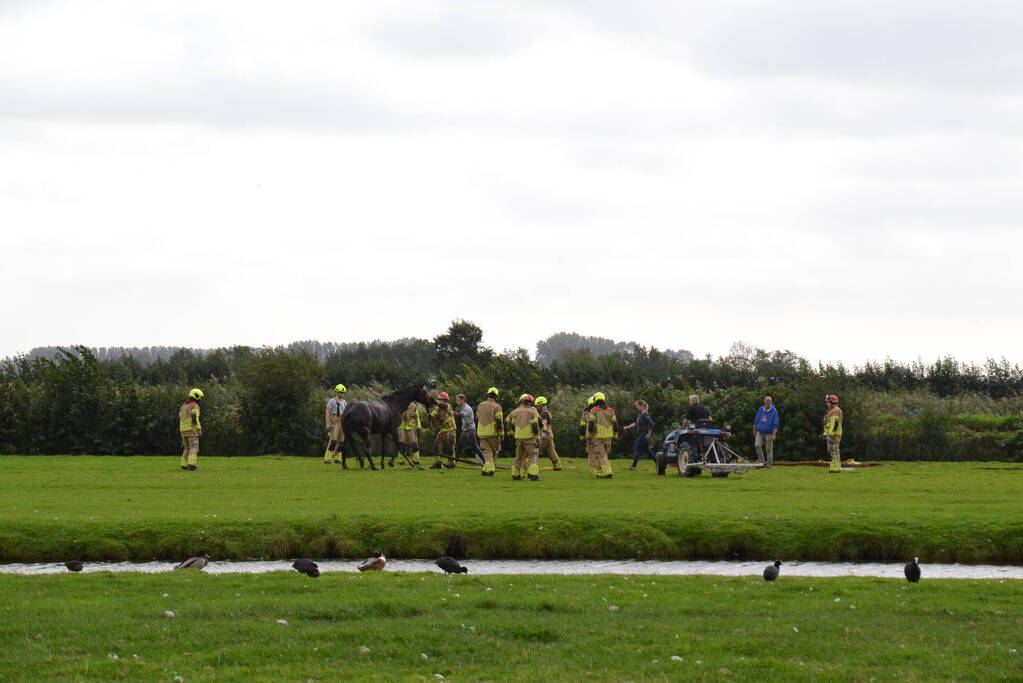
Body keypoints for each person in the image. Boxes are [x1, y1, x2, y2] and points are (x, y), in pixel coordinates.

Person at [506, 394, 542, 481]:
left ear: (522, 401)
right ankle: (533, 474)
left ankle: (515, 474)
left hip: (518, 437)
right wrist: (537, 437)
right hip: (529, 437)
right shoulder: (533, 411)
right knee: (533, 455)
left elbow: (507, 421)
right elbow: (536, 425)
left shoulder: (515, 411)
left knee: (519, 457)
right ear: (531, 402)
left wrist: (510, 431)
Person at [585, 392, 619, 479]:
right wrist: (615, 437)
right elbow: (615, 425)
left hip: (598, 436)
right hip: (609, 436)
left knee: (601, 455)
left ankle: (608, 472)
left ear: (595, 400)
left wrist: (589, 436)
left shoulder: (594, 410)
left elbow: (591, 424)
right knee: (604, 454)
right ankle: (602, 471)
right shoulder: (611, 410)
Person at [476, 387, 504, 477]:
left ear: (488, 395)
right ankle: (490, 470)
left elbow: (477, 418)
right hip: (493, 433)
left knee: (487, 452)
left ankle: (486, 469)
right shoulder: (497, 407)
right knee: (494, 452)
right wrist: (501, 433)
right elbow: (499, 422)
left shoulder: (480, 405)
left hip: (481, 433)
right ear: (496, 397)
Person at [623, 399, 655, 470]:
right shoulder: (641, 415)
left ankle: (633, 466)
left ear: (641, 406)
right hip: (642, 434)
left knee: (637, 448)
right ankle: (658, 462)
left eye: (637, 406)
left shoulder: (645, 415)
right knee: (648, 451)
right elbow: (635, 424)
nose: (636, 407)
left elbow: (651, 424)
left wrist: (649, 434)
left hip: (644, 435)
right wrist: (627, 427)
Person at [428, 391, 457, 469]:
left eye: (441, 399)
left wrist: (435, 402)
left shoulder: (448, 406)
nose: (440, 401)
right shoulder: (437, 409)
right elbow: (433, 417)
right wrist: (429, 416)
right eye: (439, 399)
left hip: (451, 429)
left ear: (445, 400)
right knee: (437, 446)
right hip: (442, 430)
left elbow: (443, 405)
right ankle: (437, 463)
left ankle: (451, 464)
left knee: (450, 448)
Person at [454, 394, 485, 465]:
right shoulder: (461, 408)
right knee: (459, 447)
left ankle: (485, 461)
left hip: (470, 430)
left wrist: (450, 411)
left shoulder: (467, 408)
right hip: (465, 430)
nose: (456, 402)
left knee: (474, 447)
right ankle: (454, 462)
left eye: (458, 400)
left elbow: (460, 416)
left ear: (462, 400)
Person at [178, 388, 204, 471]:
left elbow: (179, 416)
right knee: (194, 447)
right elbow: (194, 417)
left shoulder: (183, 405)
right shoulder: (195, 406)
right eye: (200, 397)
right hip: (191, 429)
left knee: (186, 448)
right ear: (196, 396)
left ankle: (183, 464)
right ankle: (192, 465)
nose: (200, 399)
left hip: (182, 430)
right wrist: (199, 429)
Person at [534, 396, 562, 471]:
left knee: (536, 450)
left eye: (537, 406)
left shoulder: (543, 413)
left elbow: (544, 425)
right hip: (550, 434)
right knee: (551, 450)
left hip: (545, 434)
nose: (536, 407)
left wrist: (542, 435)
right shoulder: (547, 412)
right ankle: (557, 464)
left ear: (541, 405)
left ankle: (531, 466)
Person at [323, 384, 348, 464]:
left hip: (342, 421)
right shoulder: (331, 401)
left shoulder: (344, 402)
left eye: (343, 392)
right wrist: (328, 423)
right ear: (337, 392)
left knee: (341, 440)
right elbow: (327, 412)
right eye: (341, 392)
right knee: (333, 440)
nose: (342, 394)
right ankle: (328, 458)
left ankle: (338, 458)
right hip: (334, 420)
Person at [753, 396, 779, 468]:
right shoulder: (760, 409)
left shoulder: (774, 411)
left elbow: (776, 424)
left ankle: (769, 464)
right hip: (760, 431)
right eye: (767, 401)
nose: (768, 402)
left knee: (768, 449)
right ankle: (761, 462)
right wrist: (754, 430)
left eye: (770, 401)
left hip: (769, 432)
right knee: (757, 445)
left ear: (771, 402)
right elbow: (756, 420)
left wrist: (774, 434)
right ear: (764, 401)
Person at [397, 400, 422, 467]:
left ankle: (416, 460)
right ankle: (401, 460)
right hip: (401, 426)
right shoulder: (399, 405)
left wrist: (418, 427)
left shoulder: (413, 406)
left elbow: (417, 417)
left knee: (414, 443)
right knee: (401, 443)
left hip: (411, 427)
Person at [823, 394, 844, 473]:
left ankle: (835, 468)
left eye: (827, 402)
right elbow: (828, 422)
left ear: (831, 402)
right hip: (832, 433)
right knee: (833, 451)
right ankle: (835, 467)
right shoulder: (831, 411)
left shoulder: (835, 410)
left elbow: (835, 423)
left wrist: (831, 433)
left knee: (834, 450)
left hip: (834, 434)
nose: (826, 404)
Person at [578, 394, 597, 475]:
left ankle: (593, 469)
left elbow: (582, 427)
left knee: (591, 452)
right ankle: (602, 468)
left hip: (589, 436)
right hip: (600, 435)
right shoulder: (599, 411)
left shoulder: (586, 414)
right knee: (601, 453)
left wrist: (582, 436)